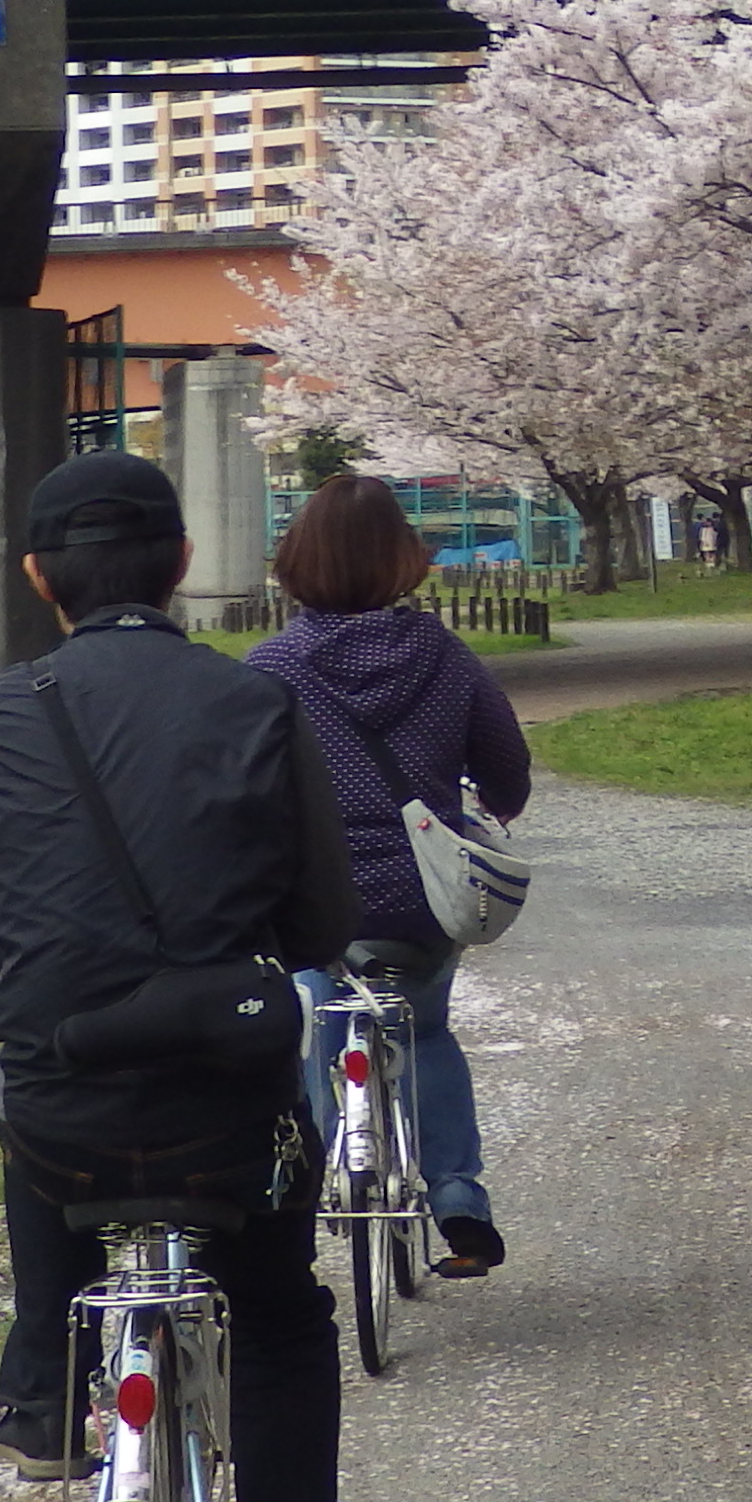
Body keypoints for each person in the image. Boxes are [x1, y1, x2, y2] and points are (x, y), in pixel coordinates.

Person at [0, 446, 369, 1502]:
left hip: (67, 1103)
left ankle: (42, 1390)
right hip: (232, 1105)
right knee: (277, 1317)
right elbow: (323, 917)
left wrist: (7, 969)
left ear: (37, 577)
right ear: (185, 565)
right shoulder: (258, 709)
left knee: (33, 1114)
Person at [250, 471, 534, 1274]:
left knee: (312, 1011)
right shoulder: (445, 655)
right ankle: (455, 1195)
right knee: (428, 1028)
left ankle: (304, 1182)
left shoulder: (270, 668)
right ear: (404, 558)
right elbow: (506, 769)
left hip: (310, 894)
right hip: (420, 896)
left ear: (296, 561)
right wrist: (492, 806)